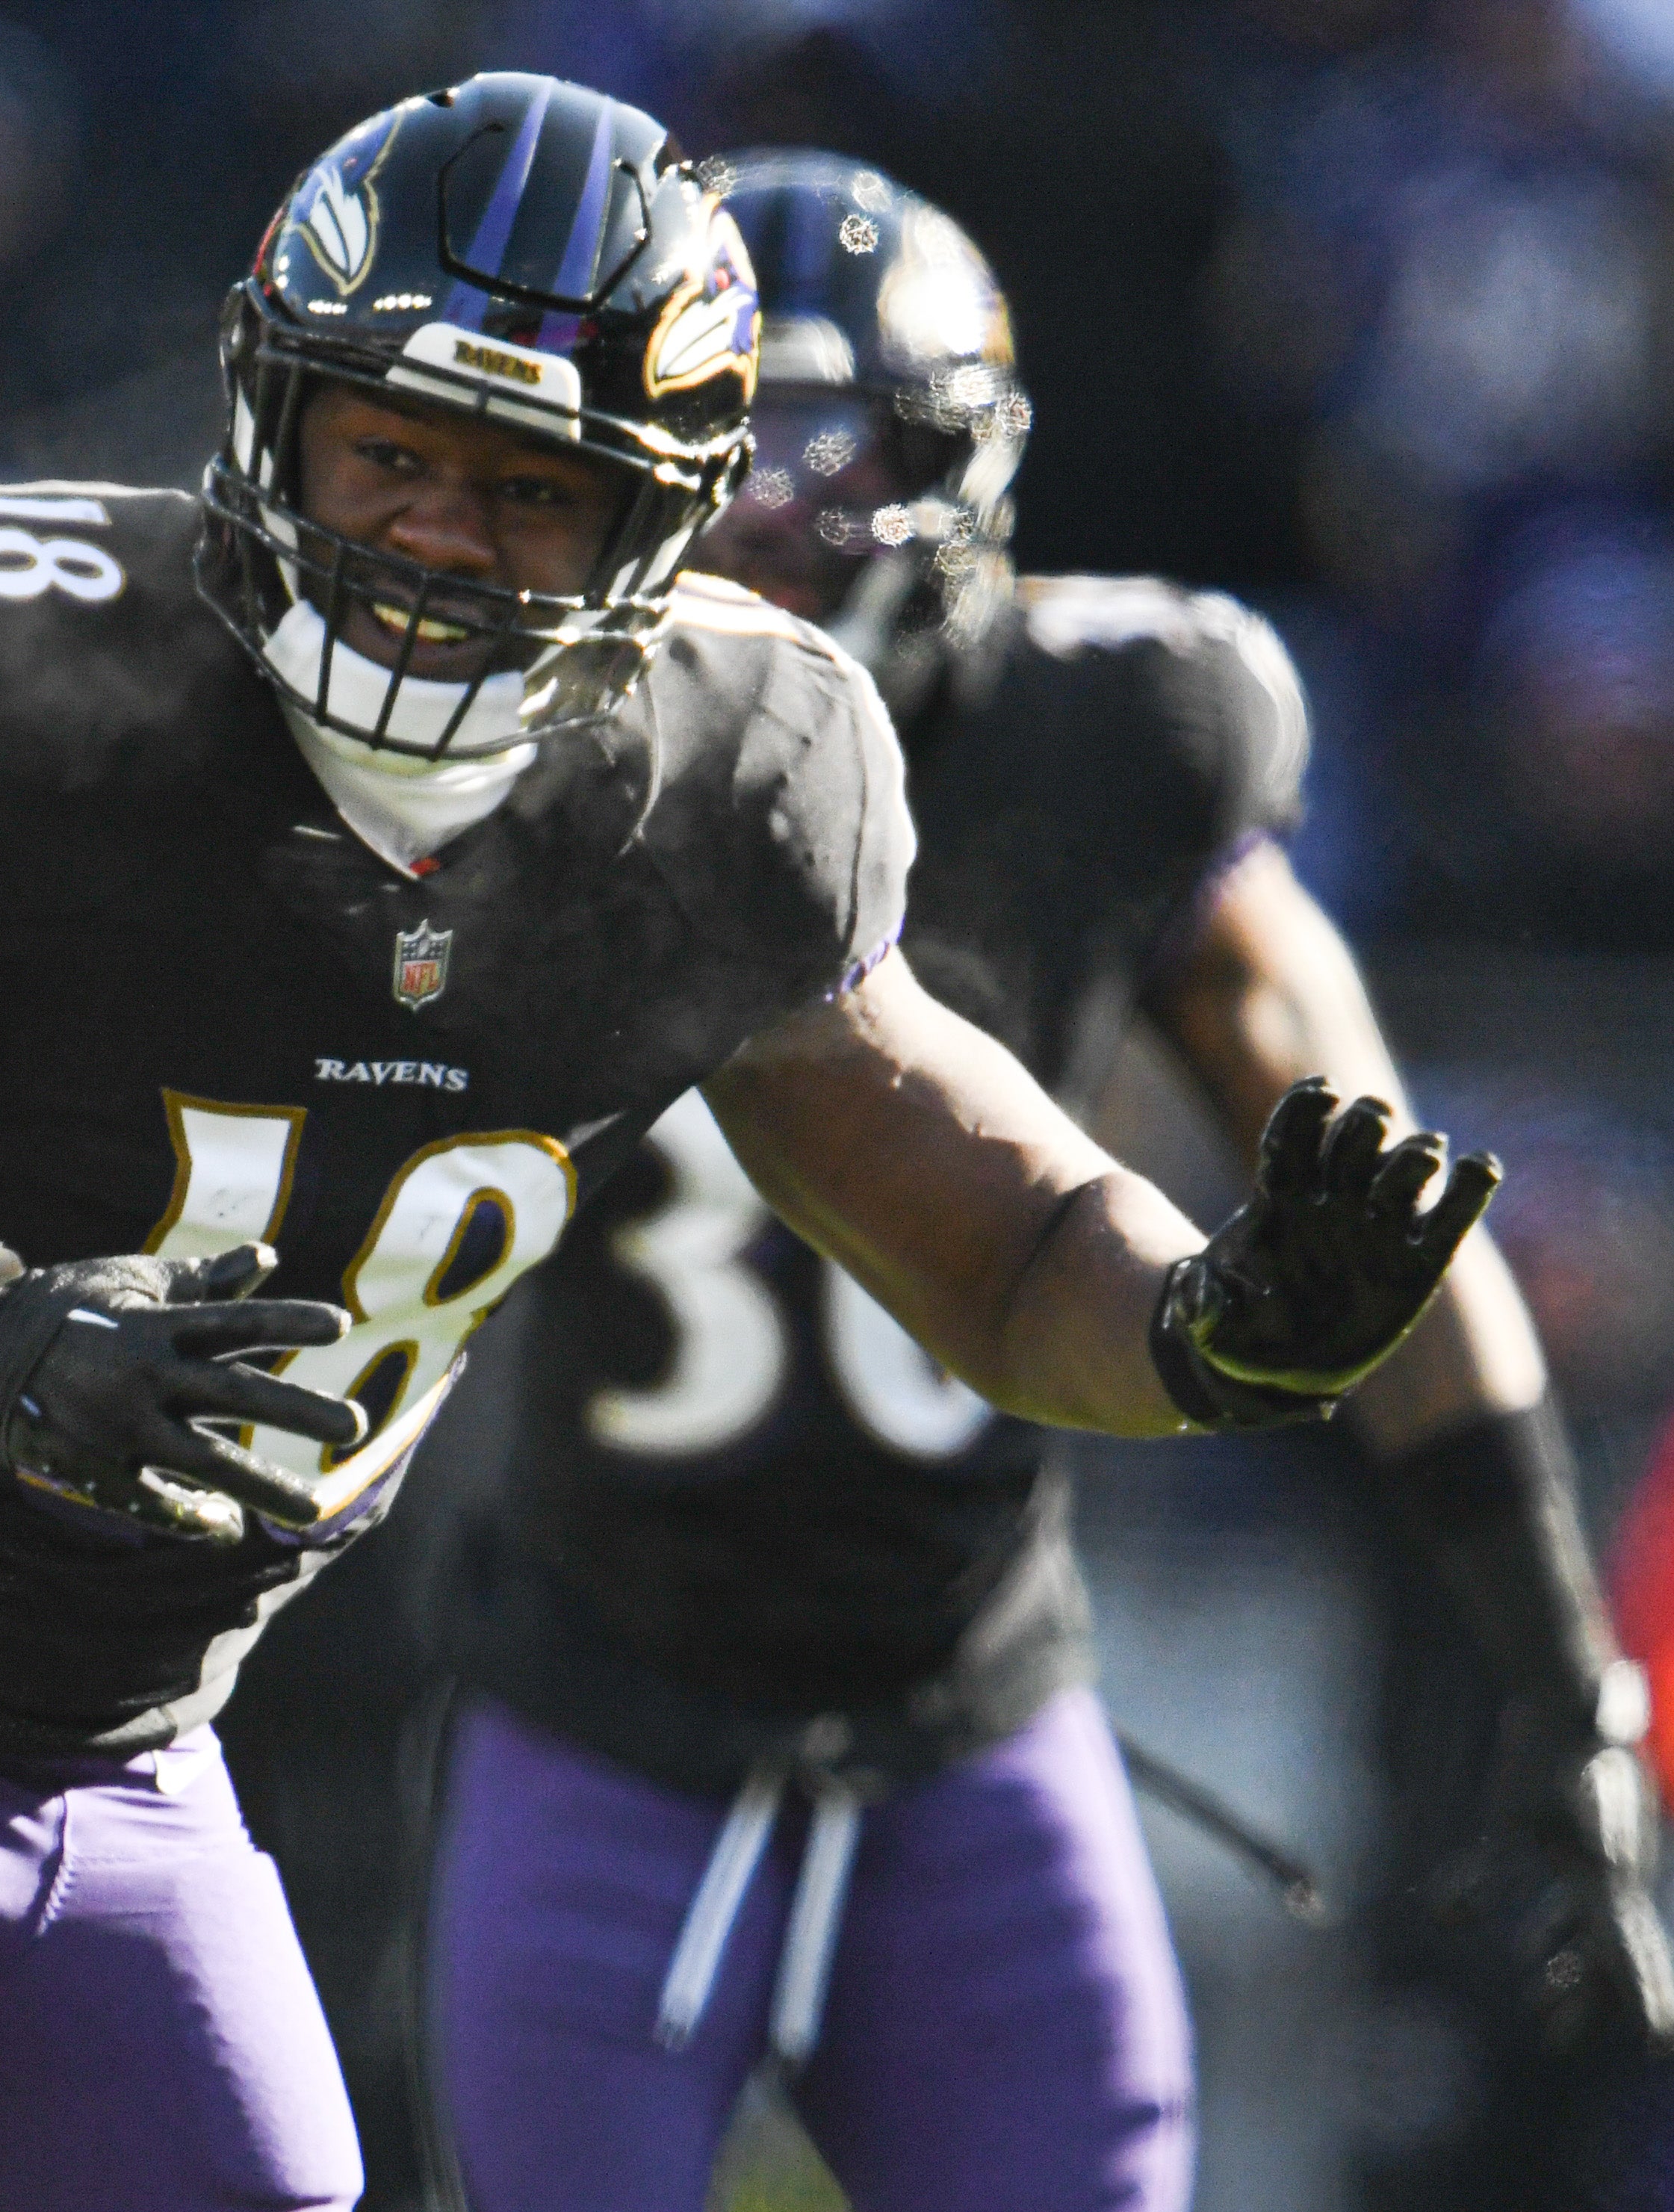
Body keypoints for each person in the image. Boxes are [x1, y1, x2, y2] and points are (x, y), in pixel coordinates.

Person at [0, 77, 1494, 2212]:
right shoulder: (27, 658)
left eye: (528, 487)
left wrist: (1206, 1324)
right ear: (266, 415)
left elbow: (999, 1242)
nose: (433, 532)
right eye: (386, 451)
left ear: (666, 517)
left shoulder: (738, 776)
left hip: (106, 1753)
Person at [397, 152, 1672, 2212]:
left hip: (967, 1721)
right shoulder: (513, 740)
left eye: (797, 440)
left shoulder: (1112, 733)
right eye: (690, 435)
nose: (738, 510)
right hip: (597, 1713)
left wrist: (1560, 1692)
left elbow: (1387, 1215)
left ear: (944, 466)